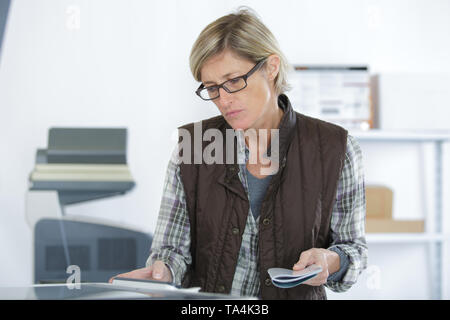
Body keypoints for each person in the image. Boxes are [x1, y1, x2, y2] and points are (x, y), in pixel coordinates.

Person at [110, 7, 367, 300]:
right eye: (212, 88)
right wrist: (163, 273)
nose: (225, 100)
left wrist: (331, 261)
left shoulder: (336, 149)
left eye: (234, 81)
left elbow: (353, 250)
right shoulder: (193, 147)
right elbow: (171, 251)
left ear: (271, 67)